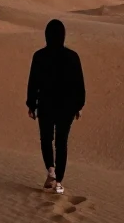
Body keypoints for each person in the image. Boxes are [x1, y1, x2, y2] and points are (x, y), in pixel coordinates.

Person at [26, 19, 85, 194]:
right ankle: (58, 182)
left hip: (46, 104)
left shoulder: (39, 56)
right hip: (66, 107)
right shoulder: (72, 57)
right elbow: (79, 85)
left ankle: (51, 171)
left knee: (46, 139)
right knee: (61, 142)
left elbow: (33, 83)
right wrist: (78, 105)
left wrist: (31, 104)